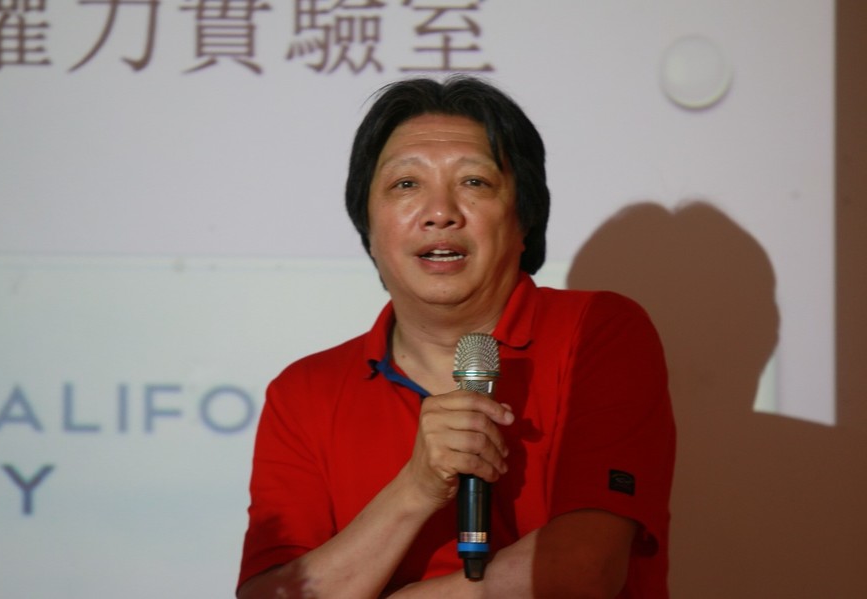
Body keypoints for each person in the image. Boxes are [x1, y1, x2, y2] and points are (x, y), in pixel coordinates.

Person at [237, 76, 675, 598]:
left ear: (524, 219)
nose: (440, 213)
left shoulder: (596, 331)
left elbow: (583, 568)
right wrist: (415, 488)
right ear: (368, 229)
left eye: (474, 182)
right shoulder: (304, 392)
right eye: (406, 184)